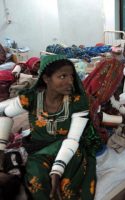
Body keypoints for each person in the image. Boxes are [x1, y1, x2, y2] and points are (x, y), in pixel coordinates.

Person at [0, 54, 102, 200]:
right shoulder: (31, 98)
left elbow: (73, 139)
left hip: (70, 150)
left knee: (67, 187)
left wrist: (57, 170)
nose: (70, 82)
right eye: (62, 76)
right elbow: (4, 113)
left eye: (71, 76)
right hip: (39, 150)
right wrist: (0, 149)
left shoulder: (78, 102)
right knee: (37, 181)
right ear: (46, 79)